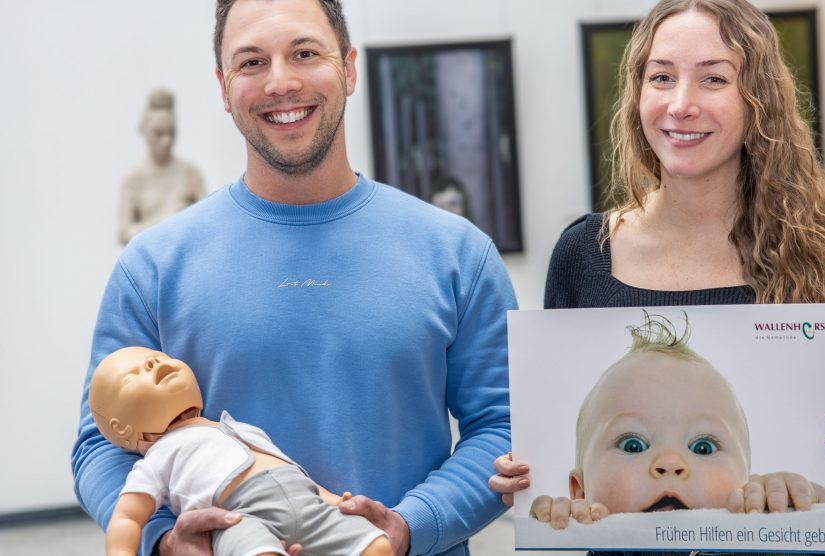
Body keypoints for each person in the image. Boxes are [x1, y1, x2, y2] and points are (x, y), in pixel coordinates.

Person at [72, 1, 517, 555]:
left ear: (349, 68)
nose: (281, 82)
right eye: (252, 62)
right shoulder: (153, 266)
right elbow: (101, 446)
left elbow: (504, 427)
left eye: (304, 53)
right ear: (223, 85)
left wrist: (407, 528)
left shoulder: (457, 254)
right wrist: (163, 540)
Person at [489, 1, 825, 554]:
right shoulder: (583, 253)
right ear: (638, 94)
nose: (681, 104)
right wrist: (528, 473)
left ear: (758, 100)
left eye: (713, 78)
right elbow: (559, 444)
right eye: (662, 77)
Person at [528, 313, 825, 530]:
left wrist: (811, 508)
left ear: (746, 481)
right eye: (633, 444)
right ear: (579, 491)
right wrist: (553, 525)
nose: (671, 464)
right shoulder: (580, 531)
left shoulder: (761, 535)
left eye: (703, 447)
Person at [91, 347, 390, 556]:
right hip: (239, 518)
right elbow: (128, 516)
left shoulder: (237, 427)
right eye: (133, 375)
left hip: (307, 504)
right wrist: (121, 550)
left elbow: (291, 470)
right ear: (120, 429)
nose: (154, 364)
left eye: (158, 358)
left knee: (377, 545)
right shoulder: (157, 459)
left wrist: (334, 500)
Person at [118, 88, 206, 246]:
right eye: (158, 133)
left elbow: (207, 221)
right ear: (143, 130)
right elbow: (124, 233)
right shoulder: (133, 178)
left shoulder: (190, 172)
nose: (166, 141)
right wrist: (168, 218)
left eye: (171, 133)